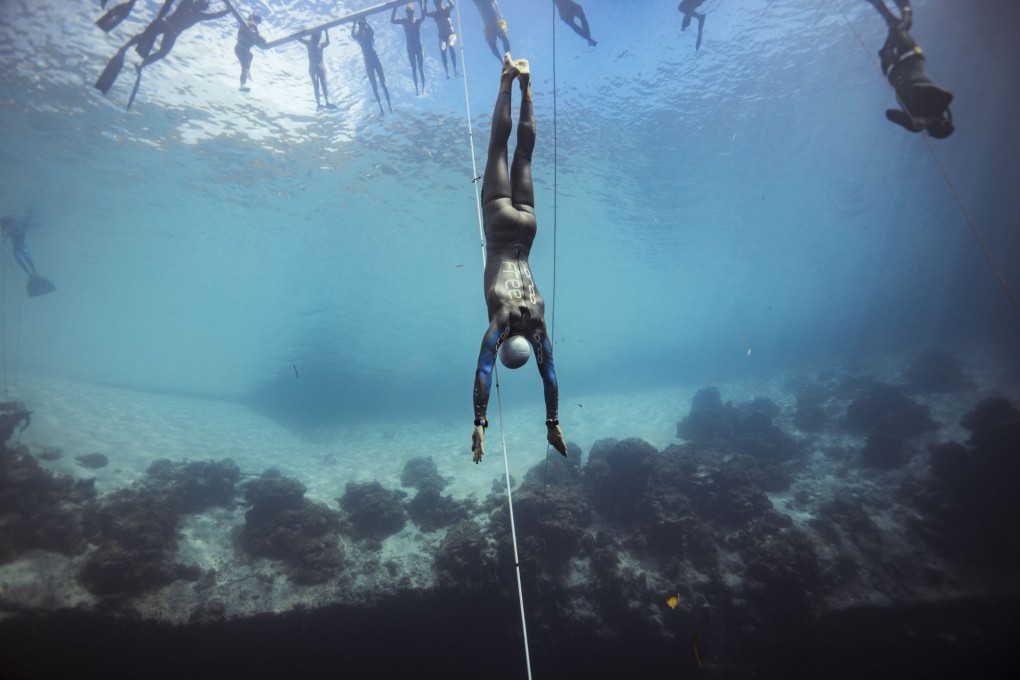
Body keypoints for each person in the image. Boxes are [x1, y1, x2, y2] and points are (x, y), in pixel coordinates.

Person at [472, 54, 567, 465]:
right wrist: (479, 423)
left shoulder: (538, 325)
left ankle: (526, 84)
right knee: (497, 146)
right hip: (497, 223)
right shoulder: (500, 322)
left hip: (526, 228)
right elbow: (483, 370)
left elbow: (549, 375)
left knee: (525, 156)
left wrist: (554, 420)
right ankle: (506, 79)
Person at [94, 0, 228, 96]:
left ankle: (134, 57)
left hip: (169, 27)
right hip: (169, 27)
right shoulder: (193, 8)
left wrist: (227, 9)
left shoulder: (194, 10)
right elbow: (217, 14)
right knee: (153, 43)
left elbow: (217, 15)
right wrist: (227, 8)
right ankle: (134, 56)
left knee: (154, 44)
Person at [866, 0, 954, 138]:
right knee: (899, 29)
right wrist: (921, 116)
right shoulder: (941, 101)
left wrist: (910, 122)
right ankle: (906, 9)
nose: (929, 125)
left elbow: (889, 114)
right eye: (934, 124)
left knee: (891, 28)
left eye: (929, 129)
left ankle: (879, 4)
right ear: (942, 119)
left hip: (893, 69)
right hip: (910, 57)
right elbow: (918, 88)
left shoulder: (915, 124)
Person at [1, 217, 55, 298]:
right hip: (19, 247)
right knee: (21, 260)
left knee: (24, 259)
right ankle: (32, 274)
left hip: (19, 247)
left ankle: (33, 274)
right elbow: (7, 235)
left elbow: (8, 234)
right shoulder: (14, 229)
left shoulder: (15, 229)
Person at [352, 17, 393, 115]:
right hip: (368, 62)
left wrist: (365, 22)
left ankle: (389, 105)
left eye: (362, 24)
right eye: (360, 24)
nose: (361, 26)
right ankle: (381, 107)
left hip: (375, 59)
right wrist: (354, 23)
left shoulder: (369, 33)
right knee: (374, 85)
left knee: (383, 83)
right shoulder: (359, 36)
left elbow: (372, 31)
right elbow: (352, 35)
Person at [391, 3, 426, 95]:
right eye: (408, 11)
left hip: (418, 47)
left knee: (420, 68)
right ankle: (416, 89)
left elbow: (423, 16)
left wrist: (421, 4)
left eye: (411, 11)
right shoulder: (404, 21)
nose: (410, 13)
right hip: (410, 48)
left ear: (413, 12)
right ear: (406, 12)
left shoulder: (417, 20)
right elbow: (392, 21)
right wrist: (395, 8)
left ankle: (423, 88)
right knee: (414, 68)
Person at [299, 29, 333, 110]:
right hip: (313, 67)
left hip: (321, 66)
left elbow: (327, 42)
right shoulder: (308, 42)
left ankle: (327, 102)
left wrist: (326, 30)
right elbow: (298, 38)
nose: (318, 37)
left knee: (323, 84)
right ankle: (319, 104)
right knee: (316, 85)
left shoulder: (320, 44)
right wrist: (303, 32)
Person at [424, 0, 458, 79]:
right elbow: (425, 13)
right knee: (443, 51)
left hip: (451, 34)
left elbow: (452, 5)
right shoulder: (435, 14)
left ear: (441, 2)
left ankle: (455, 68)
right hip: (442, 37)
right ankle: (447, 73)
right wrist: (425, 3)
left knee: (451, 46)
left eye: (438, 3)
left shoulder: (446, 9)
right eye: (436, 3)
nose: (437, 5)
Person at [236, 12, 268, 91]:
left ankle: (243, 85)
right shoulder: (250, 24)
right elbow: (254, 32)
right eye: (257, 21)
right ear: (254, 19)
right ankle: (243, 84)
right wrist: (262, 40)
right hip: (241, 48)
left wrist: (261, 40)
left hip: (241, 49)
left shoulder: (249, 25)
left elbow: (254, 36)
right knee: (246, 64)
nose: (257, 23)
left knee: (245, 67)